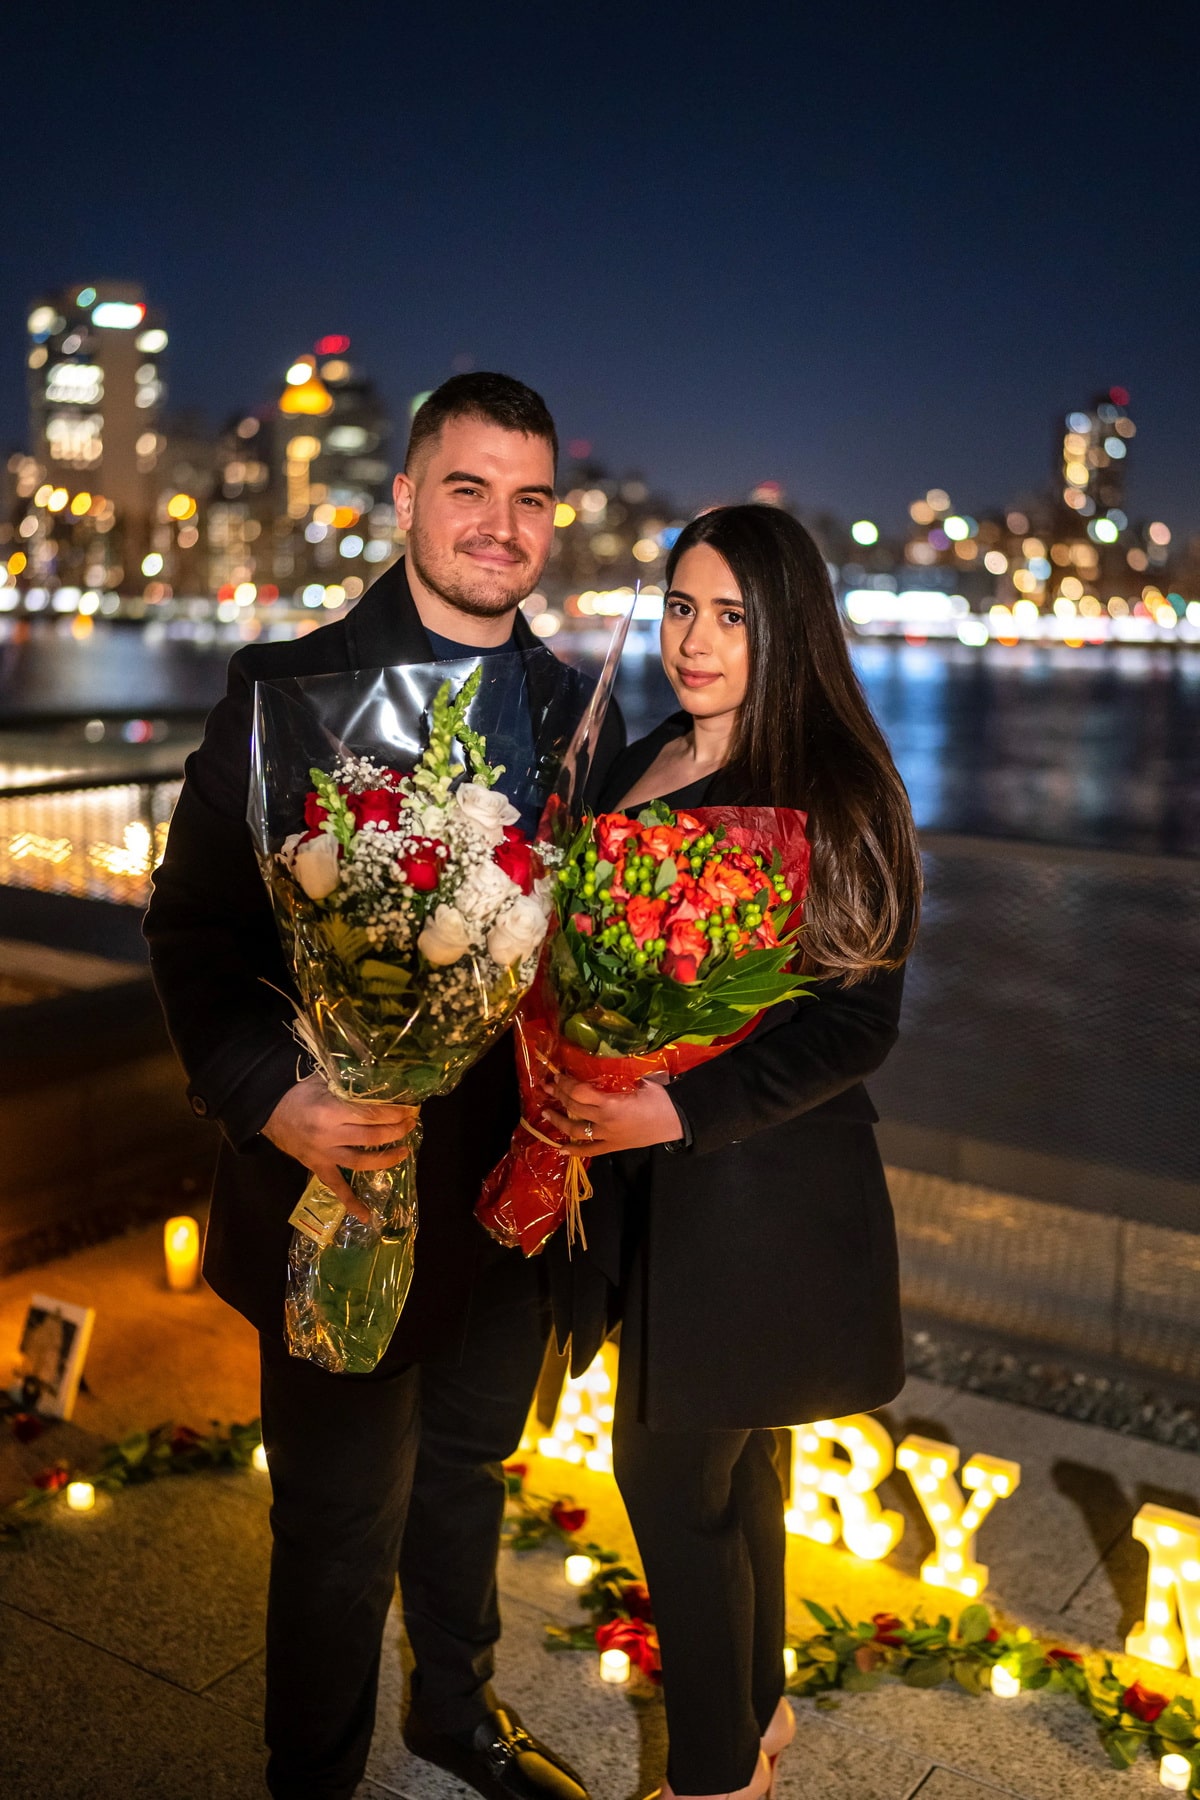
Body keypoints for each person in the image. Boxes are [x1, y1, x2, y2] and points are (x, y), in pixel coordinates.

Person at [145, 372, 622, 1800]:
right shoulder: (285, 696)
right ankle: (315, 1772)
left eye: (529, 497)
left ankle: (454, 1718)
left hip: (506, 1209)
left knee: (471, 1475)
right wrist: (269, 1100)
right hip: (338, 1186)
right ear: (406, 498)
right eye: (467, 488)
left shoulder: (573, 712)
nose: (501, 524)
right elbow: (193, 935)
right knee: (341, 1523)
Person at [540, 504, 922, 1800]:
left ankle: (712, 1781)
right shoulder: (646, 749)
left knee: (668, 1465)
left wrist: (679, 1110)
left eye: (733, 616)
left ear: (790, 627)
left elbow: (858, 1023)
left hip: (758, 1199)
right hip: (647, 1189)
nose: (695, 641)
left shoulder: (836, 784)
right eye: (681, 608)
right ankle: (757, 1718)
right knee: (737, 1459)